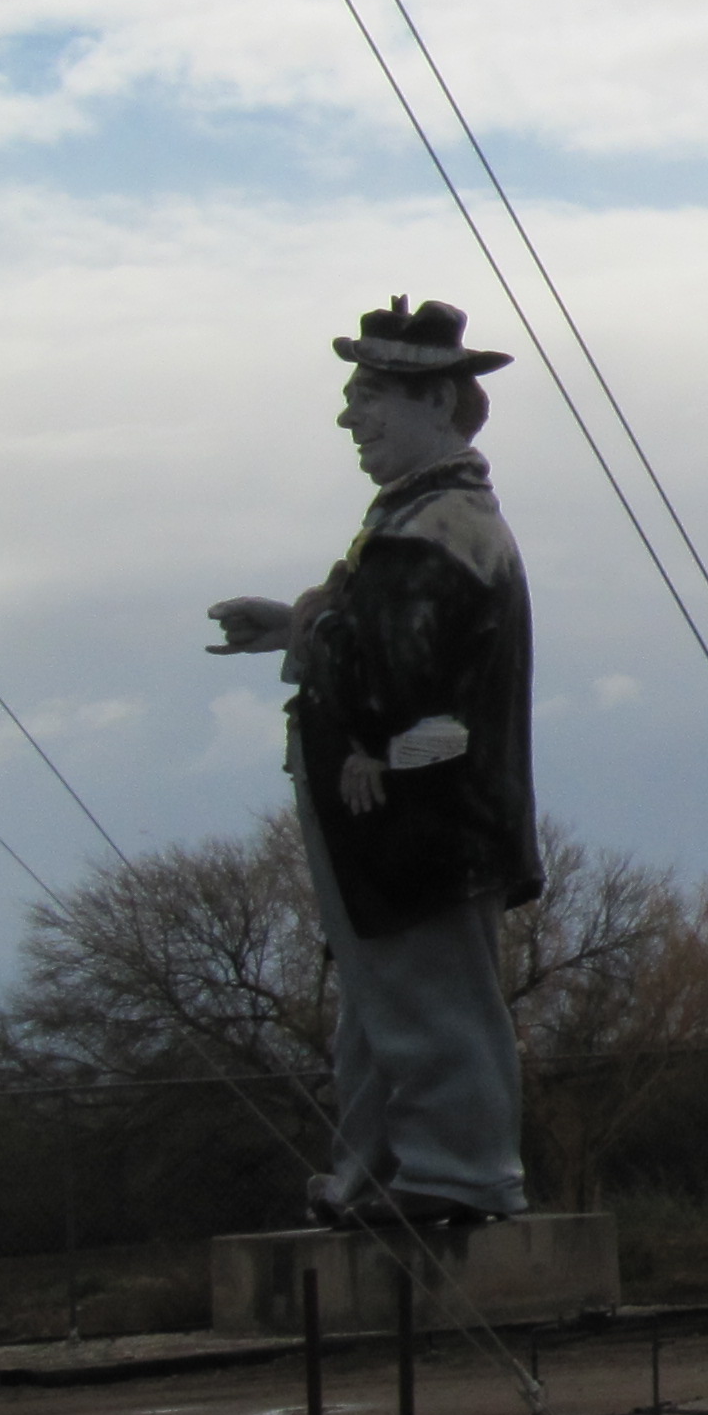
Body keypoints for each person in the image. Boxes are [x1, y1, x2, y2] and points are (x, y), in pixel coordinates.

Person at [209, 296, 543, 1226]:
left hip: (427, 818)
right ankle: (386, 1171)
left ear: (438, 402)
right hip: (393, 818)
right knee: (382, 999)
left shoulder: (440, 531)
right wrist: (299, 623)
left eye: (371, 394)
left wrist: (312, 625)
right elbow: (382, 644)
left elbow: (401, 673)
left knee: (433, 1000)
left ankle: (459, 1175)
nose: (352, 416)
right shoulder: (416, 522)